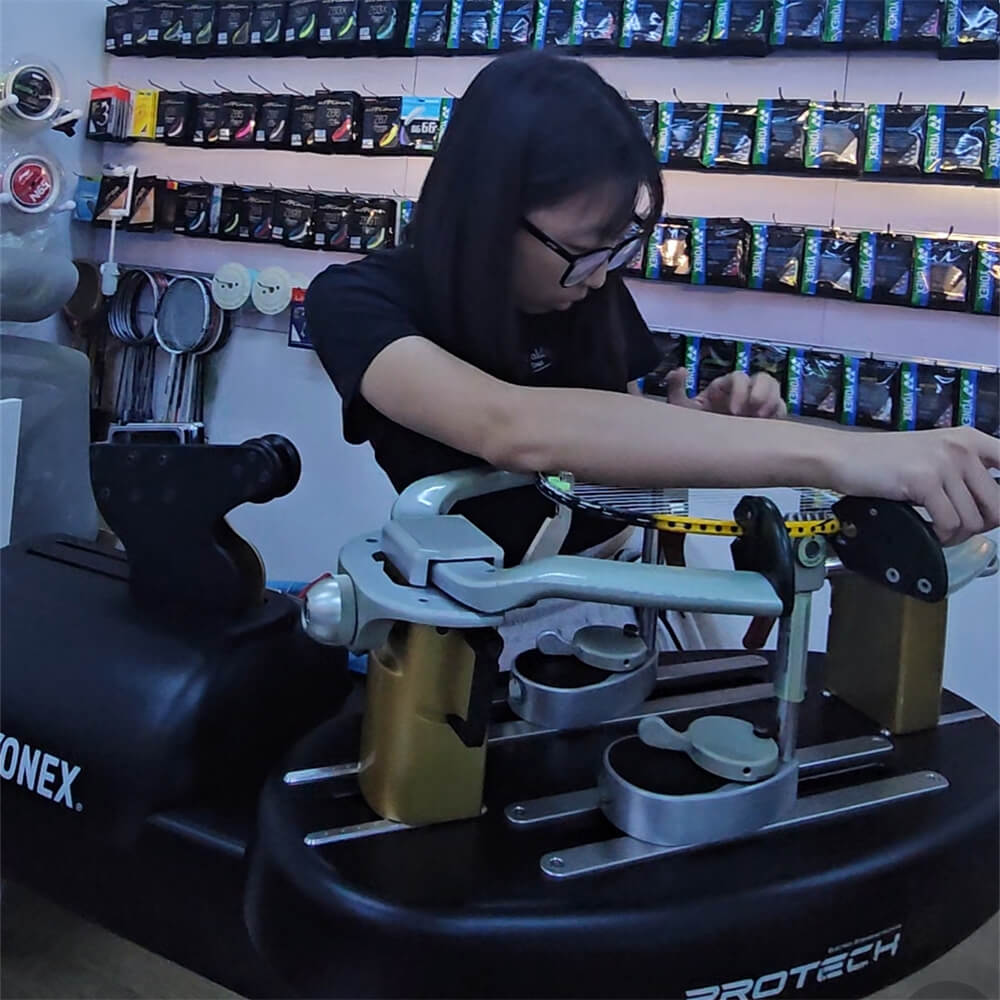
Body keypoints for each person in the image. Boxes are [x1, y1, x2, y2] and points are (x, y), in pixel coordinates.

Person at [306, 51, 999, 586]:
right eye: (580, 252)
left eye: (618, 248)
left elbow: (611, 438)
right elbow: (511, 427)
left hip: (610, 585)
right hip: (460, 611)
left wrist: (696, 420)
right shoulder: (360, 304)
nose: (603, 277)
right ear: (486, 217)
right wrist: (848, 453)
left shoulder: (586, 285)